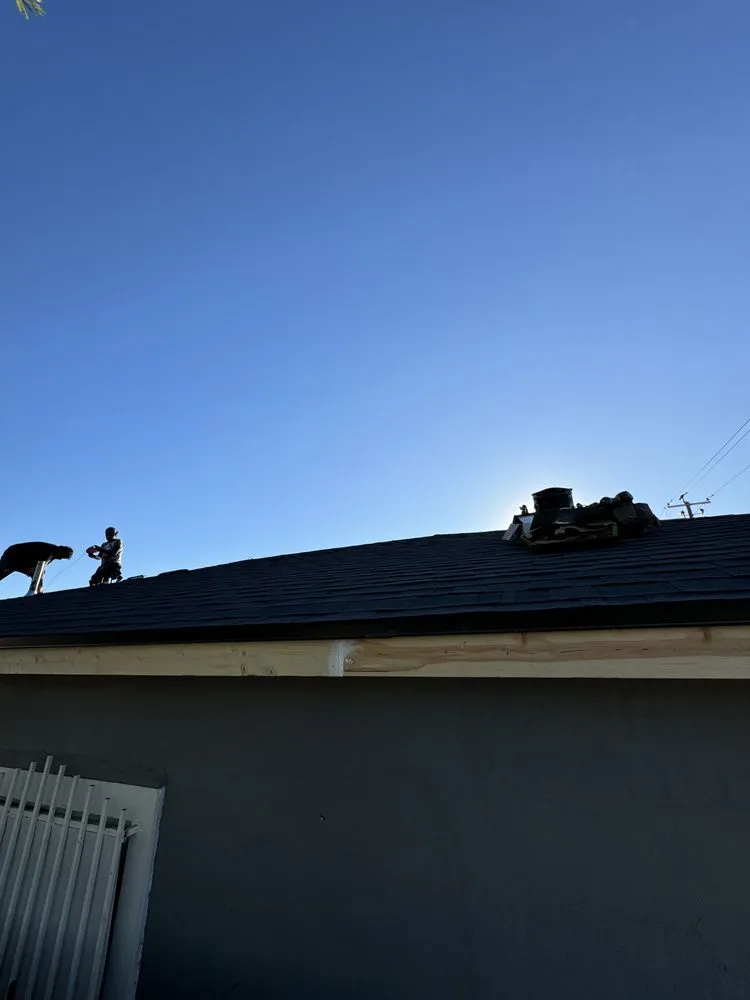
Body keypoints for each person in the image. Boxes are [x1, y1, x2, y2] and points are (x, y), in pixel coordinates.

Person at [0, 542, 74, 594]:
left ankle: (35, 591)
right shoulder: (50, 551)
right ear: (61, 551)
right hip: (12, 555)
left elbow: (40, 569)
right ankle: (35, 591)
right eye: (62, 556)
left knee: (36, 572)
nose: (61, 558)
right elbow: (39, 569)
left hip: (16, 556)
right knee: (36, 572)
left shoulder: (52, 552)